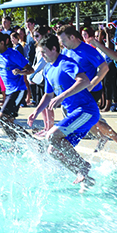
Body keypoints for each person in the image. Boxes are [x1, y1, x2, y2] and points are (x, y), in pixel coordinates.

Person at [27, 35, 99, 190]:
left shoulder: (66, 63)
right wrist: (36, 111)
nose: (43, 56)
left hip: (86, 110)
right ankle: (85, 178)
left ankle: (83, 165)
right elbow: (48, 95)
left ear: (54, 49)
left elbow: (84, 81)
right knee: (53, 150)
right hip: (75, 114)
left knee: (51, 136)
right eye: (41, 53)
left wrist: (62, 96)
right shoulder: (48, 69)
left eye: (44, 52)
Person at [57, 26, 117, 158]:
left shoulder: (87, 50)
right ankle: (103, 138)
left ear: (72, 37)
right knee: (89, 120)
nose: (62, 44)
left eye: (64, 40)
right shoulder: (68, 50)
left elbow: (104, 68)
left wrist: (91, 85)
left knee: (93, 120)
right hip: (76, 93)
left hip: (90, 91)